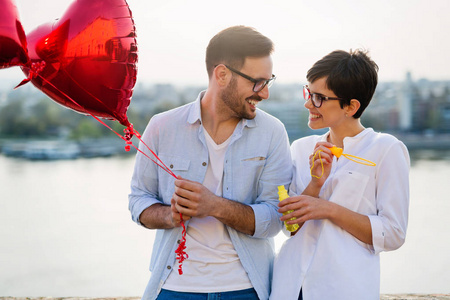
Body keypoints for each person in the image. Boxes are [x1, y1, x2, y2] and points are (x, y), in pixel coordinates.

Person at [129, 25, 292, 300]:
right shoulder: (161, 127)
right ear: (222, 74)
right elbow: (138, 201)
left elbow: (276, 217)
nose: (265, 93)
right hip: (173, 289)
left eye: (268, 81)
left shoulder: (273, 132)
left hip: (248, 289)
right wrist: (169, 215)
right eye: (257, 82)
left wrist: (214, 206)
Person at [270, 49, 410, 300]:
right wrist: (315, 184)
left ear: (351, 106)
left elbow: (393, 233)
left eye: (319, 98)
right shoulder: (301, 149)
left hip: (343, 289)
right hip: (288, 287)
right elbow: (288, 227)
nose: (308, 104)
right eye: (308, 93)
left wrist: (328, 209)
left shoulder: (386, 150)